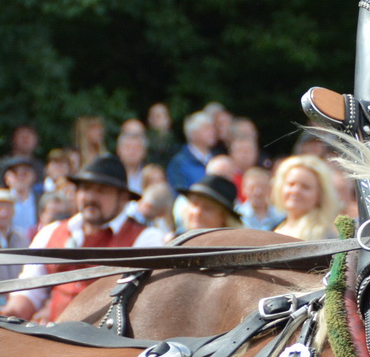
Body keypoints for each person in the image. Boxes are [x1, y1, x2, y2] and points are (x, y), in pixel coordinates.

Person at [1, 155, 168, 322]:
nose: (90, 197)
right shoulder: (51, 232)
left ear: (123, 198)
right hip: (49, 335)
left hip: (110, 337)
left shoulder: (146, 240)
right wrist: (9, 313)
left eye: (101, 190)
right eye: (85, 188)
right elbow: (30, 291)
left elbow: (148, 308)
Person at [271, 155, 341, 241]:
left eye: (305, 187)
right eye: (291, 184)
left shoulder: (325, 236)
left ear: (320, 195)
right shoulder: (276, 228)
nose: (295, 191)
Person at [167, 111, 220, 193]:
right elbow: (179, 193)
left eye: (212, 127)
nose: (212, 131)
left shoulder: (218, 159)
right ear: (193, 133)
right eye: (206, 128)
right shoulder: (179, 164)